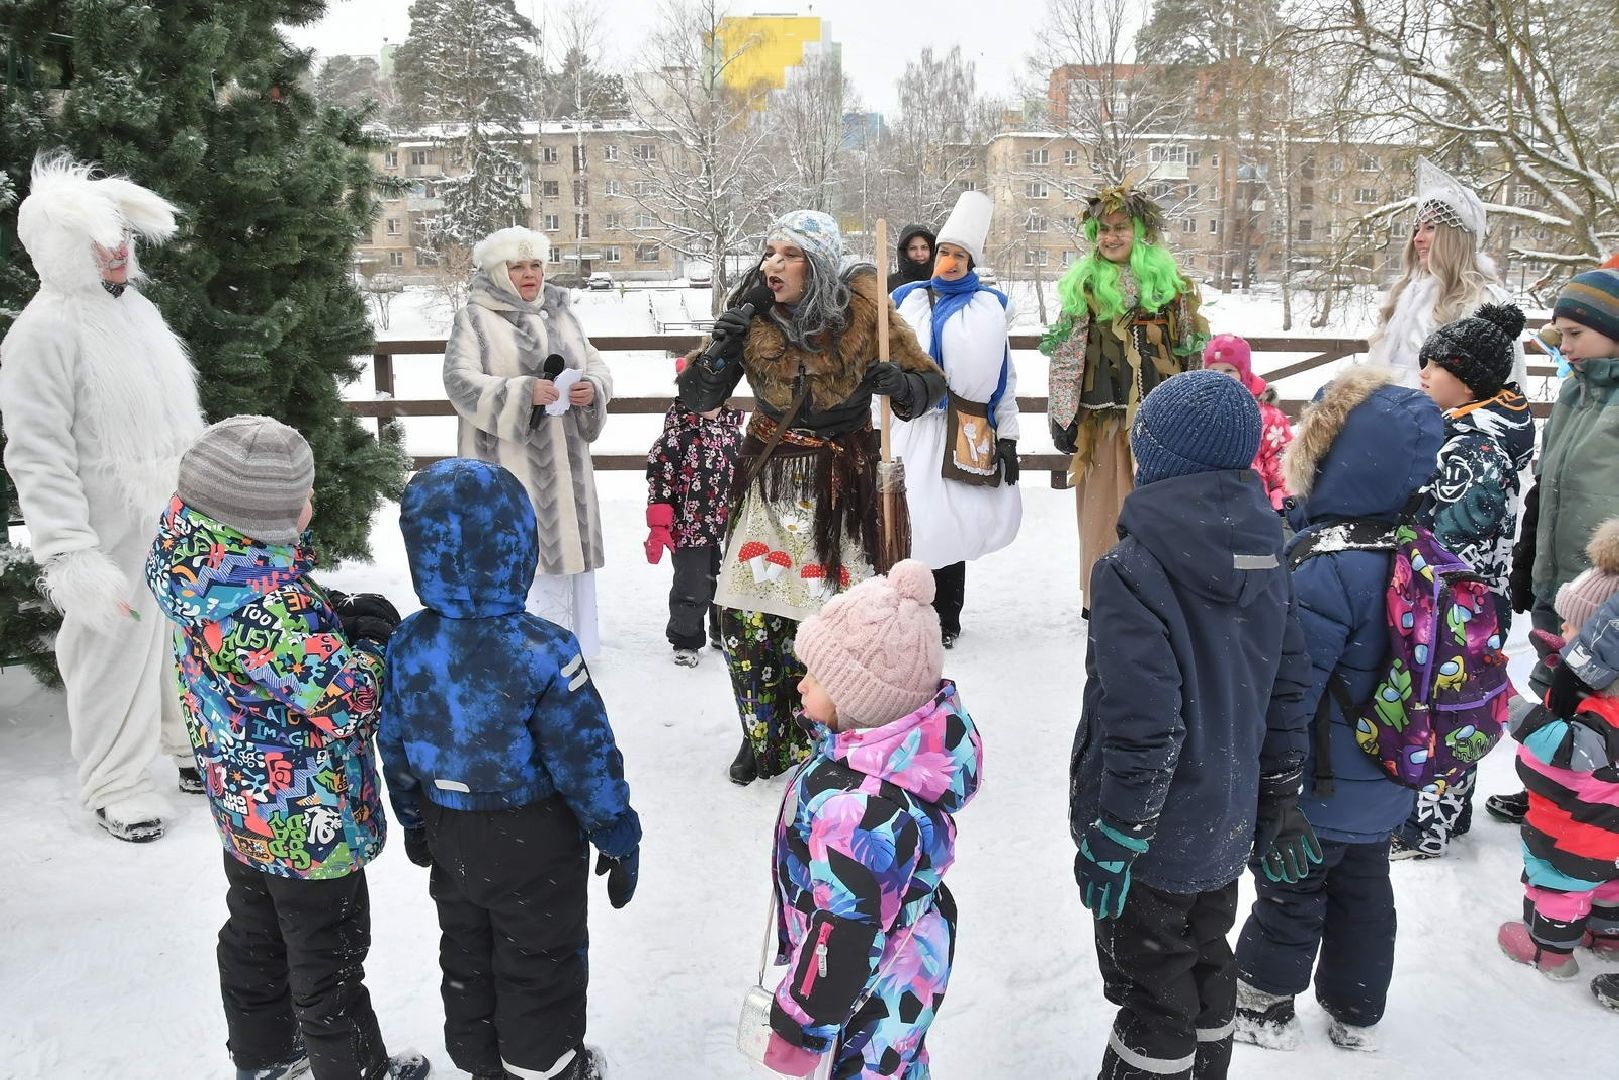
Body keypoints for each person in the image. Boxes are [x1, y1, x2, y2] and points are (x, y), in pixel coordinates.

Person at [145, 416, 427, 1080]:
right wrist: (374, 646)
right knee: (328, 959)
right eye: (303, 494)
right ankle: (355, 1070)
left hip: (244, 811)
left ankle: (268, 1055)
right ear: (265, 519)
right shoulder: (270, 610)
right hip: (309, 823)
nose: (314, 501)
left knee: (255, 936)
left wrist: (327, 613)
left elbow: (261, 657)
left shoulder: (200, 568)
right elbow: (349, 702)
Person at [1071, 371, 1313, 1080]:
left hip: (1152, 835)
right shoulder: (1270, 552)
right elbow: (1287, 689)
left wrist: (1119, 832)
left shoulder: (1130, 569)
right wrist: (1278, 797)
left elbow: (1145, 720)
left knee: (1152, 992)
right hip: (1225, 821)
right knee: (1206, 957)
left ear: (1157, 459)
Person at [378, 459, 639, 1080]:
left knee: (466, 948)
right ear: (519, 546)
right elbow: (584, 753)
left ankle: (481, 1060)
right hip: (532, 835)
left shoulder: (409, 642)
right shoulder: (544, 649)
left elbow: (395, 739)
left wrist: (414, 818)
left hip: (448, 826)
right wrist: (616, 831)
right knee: (539, 957)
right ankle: (543, 1066)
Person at [677, 210, 944, 785]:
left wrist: (904, 385)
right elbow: (698, 396)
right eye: (770, 251)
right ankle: (761, 730)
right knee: (751, 612)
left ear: (818, 265)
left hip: (844, 485)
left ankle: (828, 731)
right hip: (771, 481)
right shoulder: (751, 314)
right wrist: (721, 347)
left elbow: (930, 385)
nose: (772, 264)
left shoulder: (867, 314)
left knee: (834, 615)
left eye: (789, 254)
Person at [1233, 367, 1444, 1054]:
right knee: (1364, 890)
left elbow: (1291, 688)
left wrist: (1269, 779)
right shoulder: (1417, 552)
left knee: (1292, 892)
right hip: (1389, 771)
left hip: (1318, 783)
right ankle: (1357, 1007)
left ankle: (1262, 1002)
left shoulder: (1329, 568)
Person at [0, 153, 205, 842]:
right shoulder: (43, 332)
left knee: (176, 637)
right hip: (103, 525)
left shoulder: (137, 310)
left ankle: (183, 742)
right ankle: (115, 782)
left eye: (120, 237)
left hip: (169, 513)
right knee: (109, 651)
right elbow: (35, 450)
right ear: (62, 250)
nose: (116, 251)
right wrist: (67, 548)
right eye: (96, 241)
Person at [760, 559, 981, 1079]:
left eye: (816, 677)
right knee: (895, 1065)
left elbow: (845, 933)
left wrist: (800, 1025)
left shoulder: (859, 812)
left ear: (859, 701)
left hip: (868, 989)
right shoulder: (875, 761)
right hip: (901, 965)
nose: (801, 686)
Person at [1386, 303, 1535, 860]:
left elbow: (1451, 540)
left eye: (1435, 365)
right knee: (1456, 706)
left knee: (1444, 710)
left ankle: (1427, 828)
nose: (1422, 372)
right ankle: (1450, 815)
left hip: (1457, 607)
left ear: (1467, 380)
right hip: (1466, 602)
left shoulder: (1473, 449)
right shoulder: (1466, 434)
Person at [443, 226, 612, 658]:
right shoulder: (475, 318)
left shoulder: (561, 313)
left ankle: (570, 648)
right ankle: (514, 654)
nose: (529, 274)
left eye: (535, 264)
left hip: (567, 467)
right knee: (515, 555)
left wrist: (591, 388)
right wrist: (522, 393)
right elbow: (459, 382)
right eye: (517, 266)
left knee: (565, 557)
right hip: (506, 466)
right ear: (497, 271)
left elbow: (595, 363)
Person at [1490, 268, 1619, 826]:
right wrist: (1529, 557)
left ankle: (1597, 804)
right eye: (1560, 334)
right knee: (1553, 688)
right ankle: (1547, 785)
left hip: (1603, 590)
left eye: (1574, 334)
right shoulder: (1572, 391)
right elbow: (1548, 483)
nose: (1563, 346)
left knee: (1600, 701)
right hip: (1557, 578)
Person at [1043, 184, 1208, 612]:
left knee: (1158, 508)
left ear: (1141, 232)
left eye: (1120, 228)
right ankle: (1102, 595)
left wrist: (1195, 411)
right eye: (1103, 229)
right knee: (1103, 510)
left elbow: (1191, 352)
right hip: (1104, 421)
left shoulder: (1171, 286)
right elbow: (1067, 355)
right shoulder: (1084, 286)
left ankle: (1156, 593)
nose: (1111, 236)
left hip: (1162, 422)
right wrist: (1062, 415)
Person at [1496, 518, 1619, 1011]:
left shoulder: (1600, 707)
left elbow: (1574, 752)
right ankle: (1606, 937)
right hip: (1607, 828)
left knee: (1557, 885)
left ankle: (1550, 952)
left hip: (1572, 825)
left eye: (1571, 626)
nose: (1563, 630)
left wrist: (1525, 718)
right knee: (1608, 883)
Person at [892, 191, 1022, 647]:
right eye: (943, 252)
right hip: (913, 428)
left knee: (953, 524)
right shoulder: (907, 302)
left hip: (967, 427)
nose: (949, 261)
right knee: (912, 520)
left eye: (959, 255)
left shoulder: (988, 308)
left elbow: (1004, 378)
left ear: (971, 262)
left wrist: (1008, 436)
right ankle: (908, 609)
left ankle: (947, 615)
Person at [1366, 158, 1525, 389]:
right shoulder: (1407, 293)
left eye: (1430, 228)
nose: (1417, 238)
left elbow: (1506, 383)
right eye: (1417, 229)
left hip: (1444, 412)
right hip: (1390, 410)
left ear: (1455, 237)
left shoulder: (1485, 300)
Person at [644, 365, 743, 667]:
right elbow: (659, 484)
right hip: (688, 529)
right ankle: (685, 639)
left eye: (718, 397)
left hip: (726, 525)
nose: (713, 405)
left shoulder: (732, 434)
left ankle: (722, 631)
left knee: (725, 582)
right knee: (692, 586)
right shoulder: (674, 440)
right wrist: (659, 526)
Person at [1201, 334, 1293, 510]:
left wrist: (1280, 504)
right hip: (1210, 504)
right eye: (1213, 371)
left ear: (1243, 373)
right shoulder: (1200, 412)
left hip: (1255, 504)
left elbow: (1282, 462)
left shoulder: (1267, 416)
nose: (1221, 377)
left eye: (1229, 370)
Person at [887, 223, 936, 293]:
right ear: (904, 252)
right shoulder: (890, 284)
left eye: (924, 247)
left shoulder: (942, 282)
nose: (919, 254)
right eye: (913, 248)